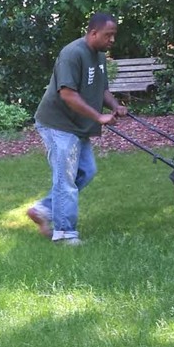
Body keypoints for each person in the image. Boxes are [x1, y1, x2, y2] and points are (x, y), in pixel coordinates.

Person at [28, 13, 127, 245]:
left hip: (77, 125)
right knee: (66, 179)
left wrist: (114, 106)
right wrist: (98, 116)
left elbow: (101, 88)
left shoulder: (99, 55)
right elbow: (68, 94)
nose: (112, 40)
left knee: (87, 171)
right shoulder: (72, 54)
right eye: (108, 35)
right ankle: (65, 233)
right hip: (57, 124)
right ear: (93, 33)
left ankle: (43, 209)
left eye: (114, 35)